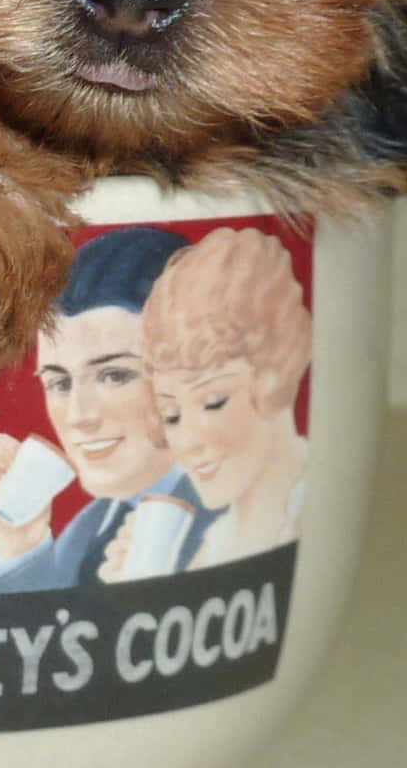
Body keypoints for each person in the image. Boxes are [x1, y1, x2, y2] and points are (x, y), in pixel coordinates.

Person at [0, 227, 212, 592]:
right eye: (59, 383)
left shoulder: (234, 510)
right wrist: (21, 551)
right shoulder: (92, 525)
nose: (79, 416)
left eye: (114, 376)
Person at [110, 227, 311, 575]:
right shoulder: (207, 545)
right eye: (171, 415)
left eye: (214, 401)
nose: (186, 443)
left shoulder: (318, 506)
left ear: (276, 371)